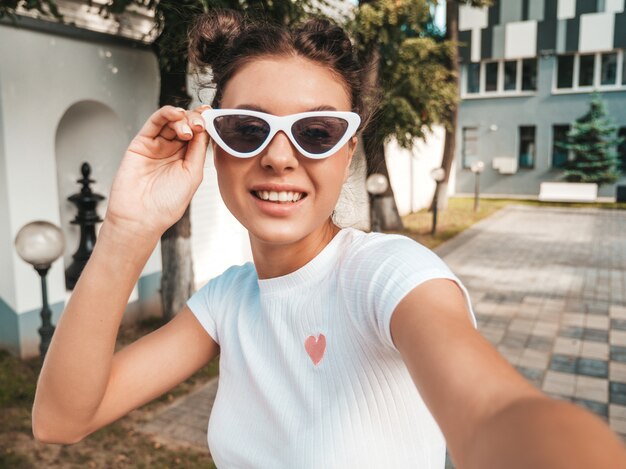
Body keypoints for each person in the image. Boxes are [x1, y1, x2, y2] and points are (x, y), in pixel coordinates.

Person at [32, 10, 626, 469]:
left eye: (316, 131)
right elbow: (62, 419)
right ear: (212, 143)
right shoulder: (225, 302)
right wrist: (127, 229)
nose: (279, 157)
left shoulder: (390, 275)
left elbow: (497, 416)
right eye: (248, 128)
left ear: (347, 152)